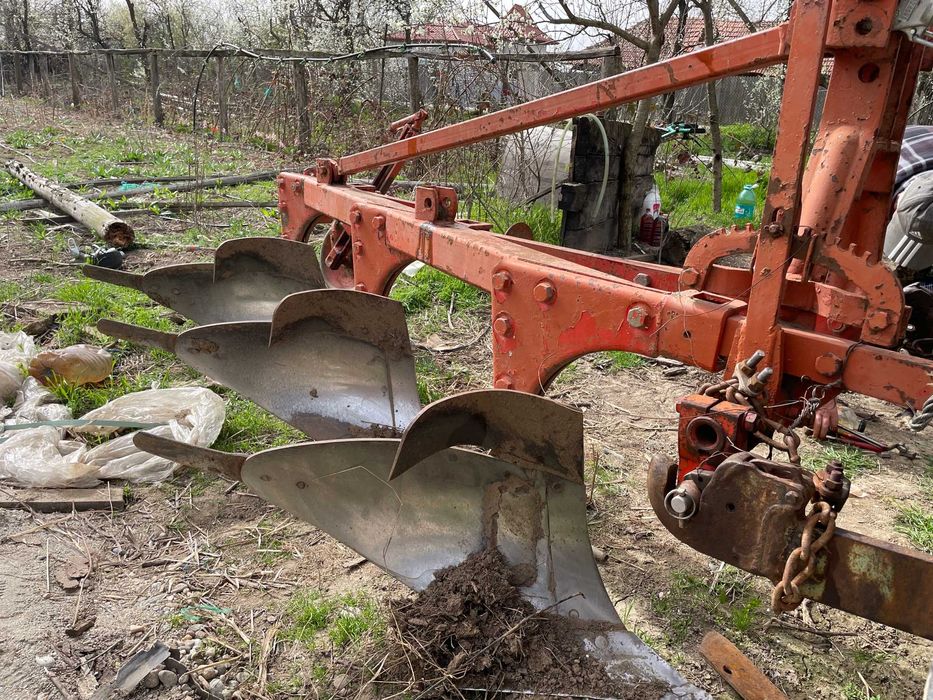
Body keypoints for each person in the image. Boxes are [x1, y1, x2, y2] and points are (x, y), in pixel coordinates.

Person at [811, 125, 933, 439]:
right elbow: (835, 288)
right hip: (882, 180)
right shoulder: (863, 178)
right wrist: (824, 390)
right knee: (874, 281)